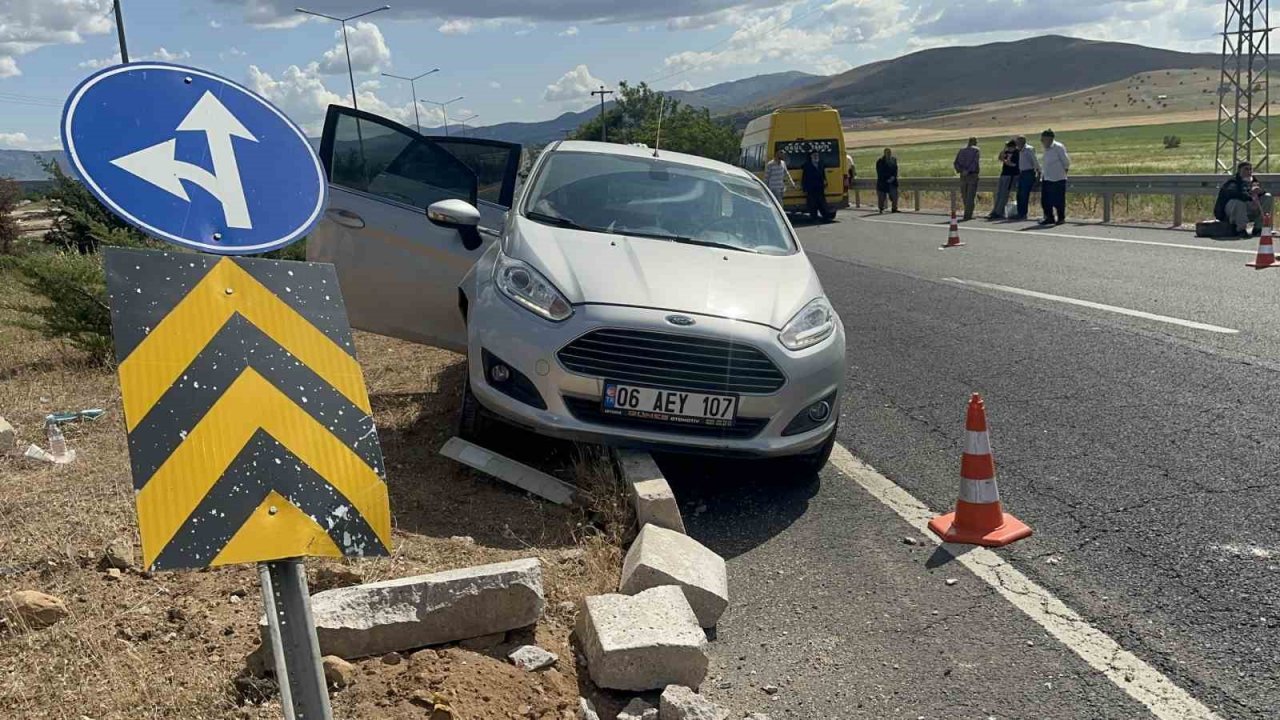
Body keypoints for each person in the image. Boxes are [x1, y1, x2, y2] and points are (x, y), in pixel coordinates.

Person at [1214, 161, 1265, 238]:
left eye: (1250, 169)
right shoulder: (1232, 182)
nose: (1249, 172)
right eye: (1246, 169)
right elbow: (1236, 194)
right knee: (1238, 202)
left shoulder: (1253, 181)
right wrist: (1250, 194)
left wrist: (1260, 192)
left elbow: (1260, 193)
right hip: (1230, 212)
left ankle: (1259, 227)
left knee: (1267, 197)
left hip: (1248, 208)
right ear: (1239, 171)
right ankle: (1241, 229)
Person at [1039, 129, 1071, 225]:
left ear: (1050, 139)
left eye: (1044, 139)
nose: (1042, 141)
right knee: (1045, 200)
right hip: (1047, 177)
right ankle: (1049, 217)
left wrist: (1063, 173)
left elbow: (1066, 162)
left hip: (1058, 178)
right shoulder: (1045, 149)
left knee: (1058, 200)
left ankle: (1061, 218)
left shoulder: (1058, 147)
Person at [988, 139, 1019, 219]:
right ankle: (995, 211)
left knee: (1004, 194)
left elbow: (1014, 165)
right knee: (999, 193)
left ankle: (999, 212)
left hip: (1011, 175)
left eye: (1009, 146)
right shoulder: (1007, 152)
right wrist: (1004, 150)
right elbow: (1000, 157)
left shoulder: (1017, 153)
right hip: (1004, 174)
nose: (1008, 148)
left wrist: (1006, 162)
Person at [953, 137, 980, 220]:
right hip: (972, 175)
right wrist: (968, 171)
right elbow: (975, 162)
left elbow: (955, 162)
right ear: (974, 142)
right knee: (970, 196)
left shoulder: (961, 150)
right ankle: (968, 215)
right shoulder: (976, 150)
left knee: (964, 195)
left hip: (963, 176)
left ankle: (967, 213)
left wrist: (961, 170)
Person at [801, 150, 832, 222]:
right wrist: (804, 187)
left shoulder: (821, 164)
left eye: (817, 155)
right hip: (811, 188)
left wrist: (825, 181)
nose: (816, 156)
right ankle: (814, 218)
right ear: (811, 156)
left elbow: (823, 174)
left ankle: (826, 217)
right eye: (814, 155)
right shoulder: (807, 165)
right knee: (812, 204)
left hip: (820, 187)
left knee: (822, 203)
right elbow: (804, 177)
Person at [1014, 135, 1039, 220]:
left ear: (1022, 142)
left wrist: (1038, 173)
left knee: (1024, 194)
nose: (1017, 143)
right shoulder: (1019, 150)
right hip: (1021, 173)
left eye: (1018, 142)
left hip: (1028, 173)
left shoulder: (1029, 149)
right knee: (1019, 194)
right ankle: (1019, 213)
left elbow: (1035, 161)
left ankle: (1023, 214)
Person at [875, 147, 899, 213]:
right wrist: (887, 179)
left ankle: (894, 208)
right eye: (887, 153)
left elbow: (896, 169)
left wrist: (893, 177)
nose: (889, 154)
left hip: (892, 181)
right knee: (882, 197)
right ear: (884, 153)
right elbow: (879, 172)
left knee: (895, 195)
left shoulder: (893, 160)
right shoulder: (880, 161)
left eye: (890, 152)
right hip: (883, 182)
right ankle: (881, 208)